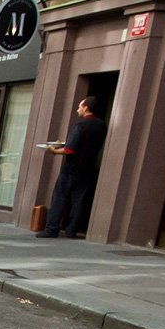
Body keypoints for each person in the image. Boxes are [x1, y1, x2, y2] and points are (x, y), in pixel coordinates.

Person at [37, 97, 108, 240]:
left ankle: (52, 229)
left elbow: (69, 150)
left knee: (59, 198)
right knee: (79, 201)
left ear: (86, 108)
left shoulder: (80, 125)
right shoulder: (101, 125)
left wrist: (53, 149)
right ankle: (71, 231)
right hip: (88, 168)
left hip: (71, 169)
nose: (78, 109)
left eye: (79, 107)